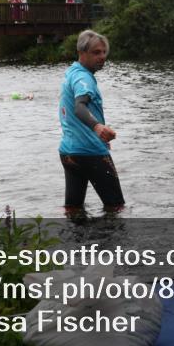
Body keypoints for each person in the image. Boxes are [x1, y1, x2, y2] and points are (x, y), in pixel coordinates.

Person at [57, 30, 125, 214]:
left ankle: (76, 242)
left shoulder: (72, 72)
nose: (102, 57)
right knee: (116, 208)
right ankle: (113, 243)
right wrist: (97, 126)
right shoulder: (83, 78)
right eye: (96, 52)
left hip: (69, 152)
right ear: (81, 53)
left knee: (73, 209)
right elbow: (80, 107)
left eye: (104, 52)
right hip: (91, 152)